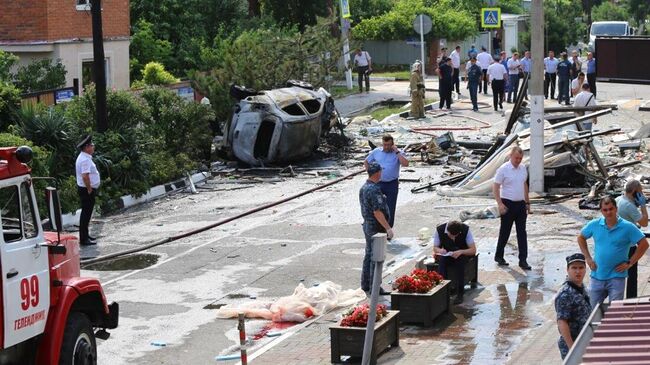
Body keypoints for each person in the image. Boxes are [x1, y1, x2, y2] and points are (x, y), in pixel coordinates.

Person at [577, 197, 649, 308]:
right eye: (605, 210)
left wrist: (630, 263)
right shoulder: (594, 224)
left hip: (617, 277)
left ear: (616, 209)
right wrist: (588, 258)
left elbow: (644, 244)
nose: (608, 212)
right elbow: (581, 238)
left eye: (611, 209)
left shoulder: (628, 227)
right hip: (597, 275)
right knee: (591, 311)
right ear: (601, 211)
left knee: (615, 312)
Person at [493, 146, 531, 269]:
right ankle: (499, 256)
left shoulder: (523, 168)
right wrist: (500, 204)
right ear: (511, 156)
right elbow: (496, 186)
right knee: (505, 231)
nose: (518, 160)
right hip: (507, 203)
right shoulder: (503, 169)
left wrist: (527, 202)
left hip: (520, 204)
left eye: (520, 158)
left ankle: (523, 260)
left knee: (522, 233)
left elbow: (524, 184)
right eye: (516, 158)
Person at [358, 162, 393, 295]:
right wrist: (388, 228)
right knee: (376, 257)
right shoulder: (373, 189)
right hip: (375, 226)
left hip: (367, 224)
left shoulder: (364, 187)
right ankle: (375, 287)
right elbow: (377, 212)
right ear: (377, 173)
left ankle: (365, 283)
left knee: (368, 255)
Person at [364, 135, 409, 228]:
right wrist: (370, 175)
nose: (387, 147)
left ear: (393, 144)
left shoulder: (397, 153)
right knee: (376, 206)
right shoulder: (376, 152)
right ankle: (376, 227)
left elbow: (406, 164)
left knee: (390, 207)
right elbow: (366, 161)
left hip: (392, 183)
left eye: (389, 145)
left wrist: (397, 152)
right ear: (382, 143)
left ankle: (388, 229)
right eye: (385, 145)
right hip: (378, 183)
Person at [555, 253, 592, 360]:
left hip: (583, 340)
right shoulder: (565, 293)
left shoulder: (581, 287)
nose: (578, 271)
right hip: (572, 343)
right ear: (568, 270)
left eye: (581, 268)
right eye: (574, 268)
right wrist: (572, 348)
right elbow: (562, 322)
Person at [615, 180, 648, 299]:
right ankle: (631, 300)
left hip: (618, 242)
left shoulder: (619, 200)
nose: (641, 195)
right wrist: (643, 205)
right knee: (632, 277)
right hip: (629, 246)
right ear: (635, 192)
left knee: (617, 275)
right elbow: (644, 223)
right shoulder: (629, 206)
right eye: (640, 193)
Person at [433, 220, 477, 304]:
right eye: (451, 236)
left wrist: (461, 252)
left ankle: (460, 292)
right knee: (442, 262)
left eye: (455, 236)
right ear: (447, 231)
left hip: (462, 255)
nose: (453, 238)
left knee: (460, 264)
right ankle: (444, 289)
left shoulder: (465, 230)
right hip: (447, 254)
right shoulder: (440, 230)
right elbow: (435, 248)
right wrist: (441, 250)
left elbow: (473, 250)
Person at [75, 135, 100, 246]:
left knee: (87, 214)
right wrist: (90, 188)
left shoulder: (84, 157)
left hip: (86, 189)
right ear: (86, 147)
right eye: (91, 145)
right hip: (86, 190)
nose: (93, 147)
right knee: (86, 214)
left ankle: (85, 235)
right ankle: (84, 239)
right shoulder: (85, 160)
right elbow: (85, 176)